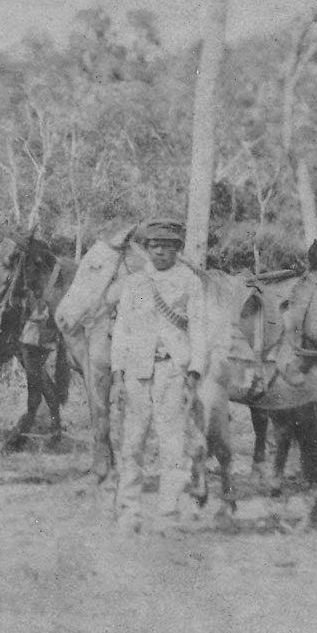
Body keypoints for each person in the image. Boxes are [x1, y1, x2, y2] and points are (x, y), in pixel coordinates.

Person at [109, 216, 216, 533]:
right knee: (133, 442)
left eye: (167, 247)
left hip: (173, 371)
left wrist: (194, 372)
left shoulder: (189, 282)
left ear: (177, 249)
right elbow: (126, 328)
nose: (159, 253)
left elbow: (199, 329)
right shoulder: (138, 283)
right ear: (146, 248)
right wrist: (118, 374)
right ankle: (130, 511)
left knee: (173, 446)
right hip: (138, 371)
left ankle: (168, 513)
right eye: (154, 246)